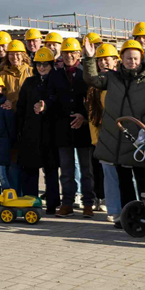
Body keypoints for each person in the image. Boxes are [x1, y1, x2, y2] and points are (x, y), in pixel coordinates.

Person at [82, 37, 145, 228]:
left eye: (135, 58)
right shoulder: (112, 78)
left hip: (138, 140)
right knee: (124, 181)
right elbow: (91, 79)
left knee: (143, 180)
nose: (132, 62)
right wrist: (89, 58)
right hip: (116, 139)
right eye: (128, 58)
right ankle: (129, 217)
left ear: (141, 59)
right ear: (121, 59)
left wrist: (142, 127)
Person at [51, 38, 94, 218]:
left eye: (72, 52)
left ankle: (88, 204)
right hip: (63, 129)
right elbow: (51, 98)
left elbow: (93, 101)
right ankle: (67, 203)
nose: (69, 56)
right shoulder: (56, 76)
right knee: (66, 170)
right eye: (66, 53)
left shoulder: (86, 74)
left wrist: (84, 116)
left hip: (83, 129)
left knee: (87, 170)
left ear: (79, 54)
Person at [16, 49, 59, 212]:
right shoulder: (29, 82)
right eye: (39, 64)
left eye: (45, 64)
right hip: (31, 133)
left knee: (51, 170)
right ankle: (31, 203)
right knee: (30, 170)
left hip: (51, 133)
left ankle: (53, 204)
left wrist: (46, 104)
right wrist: (20, 130)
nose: (42, 67)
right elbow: (21, 107)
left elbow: (59, 100)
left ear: (51, 65)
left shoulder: (56, 81)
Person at [87, 43, 120, 219]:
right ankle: (113, 209)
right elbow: (92, 115)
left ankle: (129, 206)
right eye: (100, 60)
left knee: (124, 174)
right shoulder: (94, 86)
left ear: (116, 61)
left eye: (107, 58)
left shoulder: (121, 81)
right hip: (104, 137)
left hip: (121, 136)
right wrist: (96, 139)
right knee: (109, 174)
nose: (103, 62)